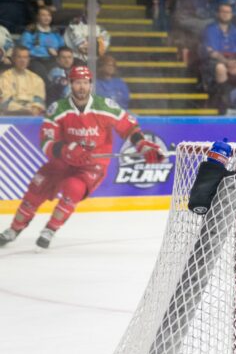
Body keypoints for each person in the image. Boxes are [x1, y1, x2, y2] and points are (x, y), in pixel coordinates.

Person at [0, 66, 162, 248]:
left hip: (91, 165)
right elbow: (46, 141)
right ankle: (14, 229)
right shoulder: (58, 109)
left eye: (85, 83)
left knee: (73, 188)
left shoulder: (105, 106)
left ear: (91, 84)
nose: (82, 87)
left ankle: (51, 229)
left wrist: (141, 143)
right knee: (37, 187)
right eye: (78, 83)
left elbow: (129, 127)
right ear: (70, 84)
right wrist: (65, 150)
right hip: (62, 162)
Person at [0, 47, 46, 116]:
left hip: (33, 116)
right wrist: (23, 109)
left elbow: (39, 100)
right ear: (13, 59)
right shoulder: (5, 77)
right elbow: (4, 102)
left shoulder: (36, 79)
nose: (22, 60)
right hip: (10, 116)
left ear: (28, 59)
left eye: (25, 57)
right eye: (19, 57)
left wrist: (34, 109)